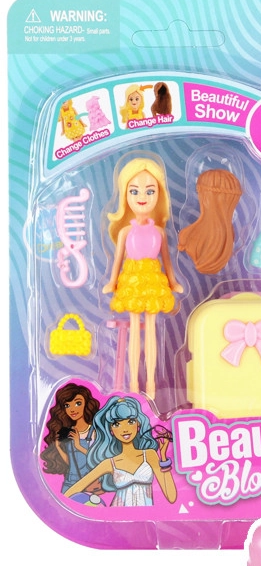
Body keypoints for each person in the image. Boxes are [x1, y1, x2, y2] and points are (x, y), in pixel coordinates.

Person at [104, 156, 183, 397]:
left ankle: (150, 384)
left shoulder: (159, 231)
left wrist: (173, 281)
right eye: (134, 190)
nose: (142, 196)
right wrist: (112, 281)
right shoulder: (125, 231)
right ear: (125, 194)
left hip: (153, 281)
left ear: (159, 194)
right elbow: (118, 259)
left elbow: (167, 260)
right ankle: (133, 387)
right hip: (131, 281)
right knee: (135, 333)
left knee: (150, 331)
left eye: (150, 191)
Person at [64, 395, 177, 507]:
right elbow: (72, 491)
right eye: (117, 424)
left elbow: (171, 497)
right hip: (118, 513)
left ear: (138, 424)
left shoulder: (149, 455)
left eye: (131, 421)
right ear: (111, 430)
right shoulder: (109, 463)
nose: (125, 429)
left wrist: (163, 458)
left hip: (145, 515)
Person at [41, 382, 103, 503]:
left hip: (88, 482)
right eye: (67, 405)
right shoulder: (68, 431)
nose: (72, 409)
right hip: (69, 483)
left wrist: (78, 445)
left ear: (86, 404)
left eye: (78, 403)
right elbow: (71, 463)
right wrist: (58, 447)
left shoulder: (94, 431)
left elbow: (97, 459)